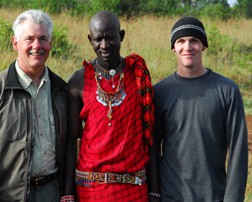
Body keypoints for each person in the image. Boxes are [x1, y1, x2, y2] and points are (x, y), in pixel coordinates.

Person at [0, 9, 68, 202]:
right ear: (15, 43)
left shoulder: (62, 91)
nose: (37, 46)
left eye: (43, 39)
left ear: (50, 44)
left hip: (53, 192)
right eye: (29, 39)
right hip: (8, 196)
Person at [61, 11, 160, 202]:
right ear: (90, 40)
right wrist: (67, 193)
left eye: (110, 38)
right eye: (98, 39)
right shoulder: (78, 81)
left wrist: (155, 191)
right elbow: (72, 141)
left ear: (121, 36)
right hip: (91, 190)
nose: (104, 45)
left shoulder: (137, 74)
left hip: (134, 188)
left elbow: (151, 137)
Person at [154, 16, 248, 202]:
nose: (187, 47)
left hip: (214, 196)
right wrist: (154, 193)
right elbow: (152, 149)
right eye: (181, 41)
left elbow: (238, 150)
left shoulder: (227, 90)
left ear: (203, 45)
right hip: (170, 196)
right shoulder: (159, 92)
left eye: (194, 41)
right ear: (173, 47)